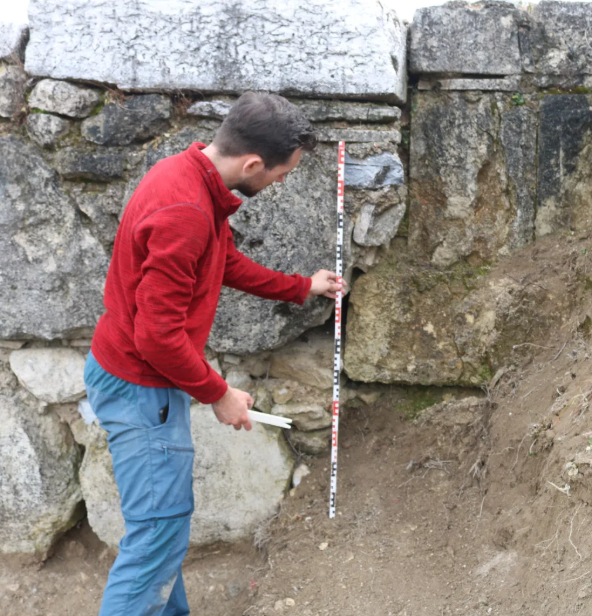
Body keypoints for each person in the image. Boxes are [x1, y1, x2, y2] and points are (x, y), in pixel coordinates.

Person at [83, 91, 347, 616]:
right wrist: (219, 393)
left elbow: (221, 261)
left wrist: (300, 287)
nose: (280, 182)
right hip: (142, 388)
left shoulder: (187, 176)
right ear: (252, 163)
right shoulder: (186, 210)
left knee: (164, 529)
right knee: (156, 534)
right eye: (280, 173)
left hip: (140, 380)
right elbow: (156, 338)